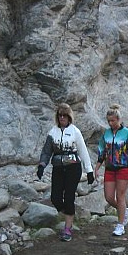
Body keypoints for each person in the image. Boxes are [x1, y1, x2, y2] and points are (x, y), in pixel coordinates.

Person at [37, 103, 94, 241]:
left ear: (69, 117)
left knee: (69, 197)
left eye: (64, 115)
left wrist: (89, 170)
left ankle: (67, 228)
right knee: (55, 198)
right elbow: (46, 151)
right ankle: (70, 213)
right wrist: (41, 166)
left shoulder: (75, 131)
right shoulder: (52, 132)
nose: (62, 118)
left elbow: (83, 151)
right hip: (58, 168)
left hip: (73, 168)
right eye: (59, 115)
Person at [94, 104, 128, 236]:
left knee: (120, 196)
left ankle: (120, 225)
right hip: (109, 168)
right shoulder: (106, 133)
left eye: (113, 120)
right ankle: (124, 211)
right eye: (109, 121)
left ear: (118, 119)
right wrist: (97, 167)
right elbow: (102, 151)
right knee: (109, 197)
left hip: (124, 168)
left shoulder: (127, 133)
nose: (110, 123)